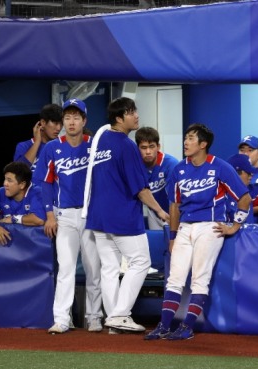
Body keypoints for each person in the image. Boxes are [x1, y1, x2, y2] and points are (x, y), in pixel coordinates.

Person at [144, 124, 251, 341]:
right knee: (174, 279)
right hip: (184, 227)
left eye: (191, 138)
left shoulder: (219, 167)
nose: (186, 142)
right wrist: (173, 236)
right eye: (186, 137)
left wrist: (234, 226)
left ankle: (187, 327)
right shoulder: (179, 169)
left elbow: (245, 198)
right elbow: (174, 205)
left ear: (203, 144)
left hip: (210, 226)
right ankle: (164, 326)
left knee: (200, 279)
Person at [83, 97, 169, 333]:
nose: (136, 116)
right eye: (131, 112)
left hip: (98, 215)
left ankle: (113, 320)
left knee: (109, 269)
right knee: (141, 262)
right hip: (121, 215)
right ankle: (120, 315)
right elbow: (140, 189)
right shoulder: (126, 145)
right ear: (119, 118)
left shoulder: (101, 140)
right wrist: (161, 211)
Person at [33, 99, 103, 334]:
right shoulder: (52, 148)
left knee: (95, 268)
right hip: (64, 216)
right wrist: (50, 215)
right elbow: (46, 184)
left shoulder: (95, 146)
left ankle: (94, 316)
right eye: (67, 117)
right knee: (66, 268)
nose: (71, 122)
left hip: (90, 215)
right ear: (63, 121)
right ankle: (62, 318)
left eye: (76, 117)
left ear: (84, 120)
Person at [135, 127, 178, 230]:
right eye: (144, 148)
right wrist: (159, 211)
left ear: (158, 147)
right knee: (157, 245)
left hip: (174, 211)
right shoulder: (135, 165)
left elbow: (175, 197)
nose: (148, 151)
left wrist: (174, 217)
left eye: (151, 146)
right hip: (154, 212)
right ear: (137, 148)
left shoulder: (170, 164)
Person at [0, 161, 46, 245]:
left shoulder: (37, 193)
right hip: (5, 251)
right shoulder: (0, 193)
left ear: (22, 185)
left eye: (9, 180)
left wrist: (13, 219)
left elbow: (39, 219)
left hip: (34, 249)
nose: (5, 183)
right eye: (5, 179)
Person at [14, 104, 63, 173]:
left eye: (61, 124)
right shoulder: (24, 146)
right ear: (43, 122)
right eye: (55, 123)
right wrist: (37, 142)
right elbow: (18, 173)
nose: (58, 128)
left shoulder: (64, 145)